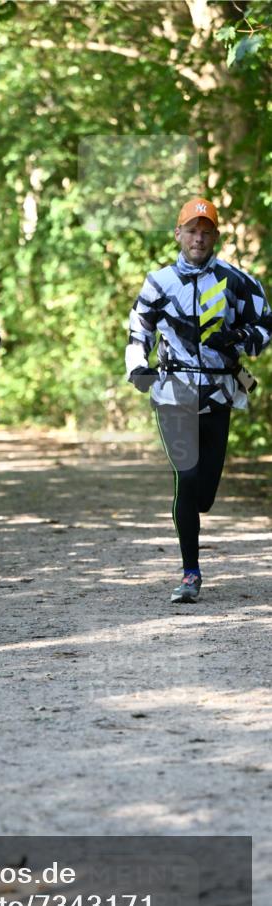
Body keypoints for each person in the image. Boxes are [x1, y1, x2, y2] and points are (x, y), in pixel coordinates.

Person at [127, 196, 270, 603]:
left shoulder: (236, 281)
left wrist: (239, 337)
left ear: (216, 237)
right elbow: (139, 328)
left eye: (206, 232)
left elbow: (266, 326)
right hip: (173, 392)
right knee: (186, 477)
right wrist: (137, 367)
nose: (199, 238)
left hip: (220, 392)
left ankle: (195, 513)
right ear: (178, 234)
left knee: (203, 494)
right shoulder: (159, 282)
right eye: (192, 230)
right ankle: (190, 572)